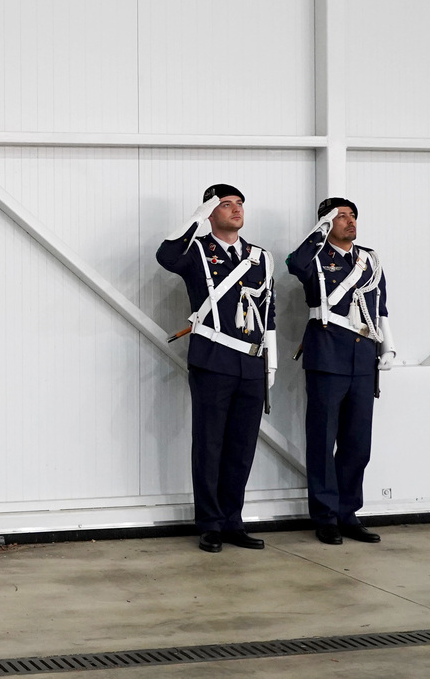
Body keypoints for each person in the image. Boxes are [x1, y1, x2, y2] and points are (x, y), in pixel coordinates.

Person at [157, 184, 277, 553]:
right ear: (211, 211)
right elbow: (166, 255)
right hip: (213, 358)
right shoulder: (196, 252)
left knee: (241, 447)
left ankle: (232, 521)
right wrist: (197, 215)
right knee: (209, 444)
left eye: (239, 204)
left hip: (252, 362)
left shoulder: (261, 257)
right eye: (226, 205)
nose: (236, 210)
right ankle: (209, 523)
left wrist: (271, 363)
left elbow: (269, 313)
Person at [286, 198, 395, 545]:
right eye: (341, 217)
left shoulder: (370, 260)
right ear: (326, 223)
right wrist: (320, 230)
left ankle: (348, 513)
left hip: (363, 360)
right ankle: (325, 516)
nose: (349, 222)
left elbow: (381, 307)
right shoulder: (314, 256)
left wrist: (387, 346)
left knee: (357, 444)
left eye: (352, 216)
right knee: (322, 440)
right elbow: (294, 264)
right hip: (327, 358)